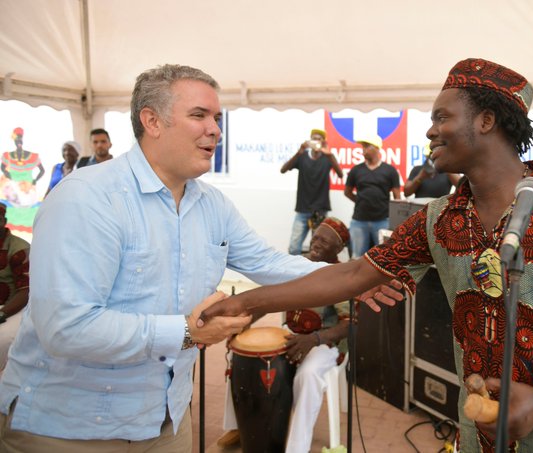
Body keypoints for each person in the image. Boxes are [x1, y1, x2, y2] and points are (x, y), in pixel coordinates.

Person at [201, 58, 533, 452]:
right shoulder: (439, 218)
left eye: (442, 117)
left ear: (486, 121)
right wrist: (250, 302)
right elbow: (359, 271)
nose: (430, 129)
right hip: (474, 429)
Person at [0, 64, 354, 451]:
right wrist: (186, 332)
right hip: (71, 430)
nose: (215, 129)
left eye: (217, 118)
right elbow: (66, 327)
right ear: (151, 121)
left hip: (166, 420)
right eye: (199, 115)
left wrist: (360, 279)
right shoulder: (87, 198)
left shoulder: (211, 205)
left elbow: (275, 265)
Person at [218, 217, 353, 452]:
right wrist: (242, 326)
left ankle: (296, 447)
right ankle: (238, 427)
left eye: (325, 241)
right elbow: (268, 301)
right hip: (292, 333)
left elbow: (349, 325)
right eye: (316, 237)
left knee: (308, 375)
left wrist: (313, 340)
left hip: (325, 341)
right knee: (240, 355)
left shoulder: (340, 276)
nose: (316, 244)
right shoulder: (298, 265)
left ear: (339, 249)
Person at [281, 129, 343, 255]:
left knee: (318, 248)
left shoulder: (327, 158)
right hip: (302, 208)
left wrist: (329, 154)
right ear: (309, 141)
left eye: (319, 139)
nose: (316, 141)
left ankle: (314, 273)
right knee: (293, 247)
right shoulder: (302, 156)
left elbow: (340, 174)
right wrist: (299, 152)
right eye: (313, 138)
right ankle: (295, 273)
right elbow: (283, 169)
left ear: (323, 142)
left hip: (320, 210)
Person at [344, 134, 401, 257]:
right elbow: (347, 192)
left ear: (377, 148)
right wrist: (360, 201)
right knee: (357, 258)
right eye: (362, 147)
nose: (363, 150)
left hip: (383, 221)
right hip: (359, 221)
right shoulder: (356, 170)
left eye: (367, 146)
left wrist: (395, 219)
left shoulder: (390, 170)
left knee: (384, 258)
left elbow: (397, 197)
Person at [0, 203, 29, 371]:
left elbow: (26, 291)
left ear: (3, 221)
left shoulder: (19, 249)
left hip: (11, 309)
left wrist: (3, 313)